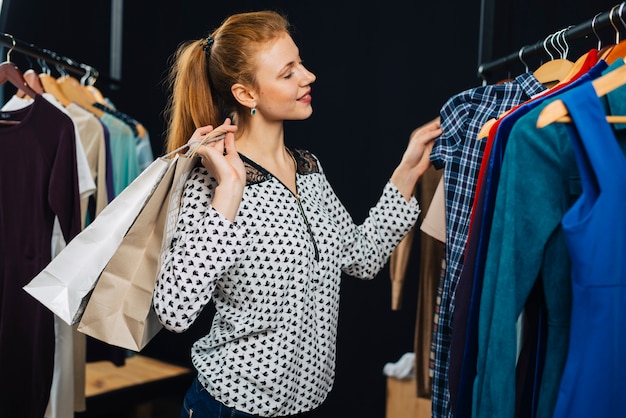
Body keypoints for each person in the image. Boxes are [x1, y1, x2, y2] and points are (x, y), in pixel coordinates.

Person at [153, 9, 442, 418]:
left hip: (306, 405)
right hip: (231, 408)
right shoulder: (211, 182)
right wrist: (230, 190)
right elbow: (174, 311)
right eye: (288, 73)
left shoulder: (308, 168)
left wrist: (408, 170)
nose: (308, 77)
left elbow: (362, 257)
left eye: (300, 63)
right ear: (246, 94)